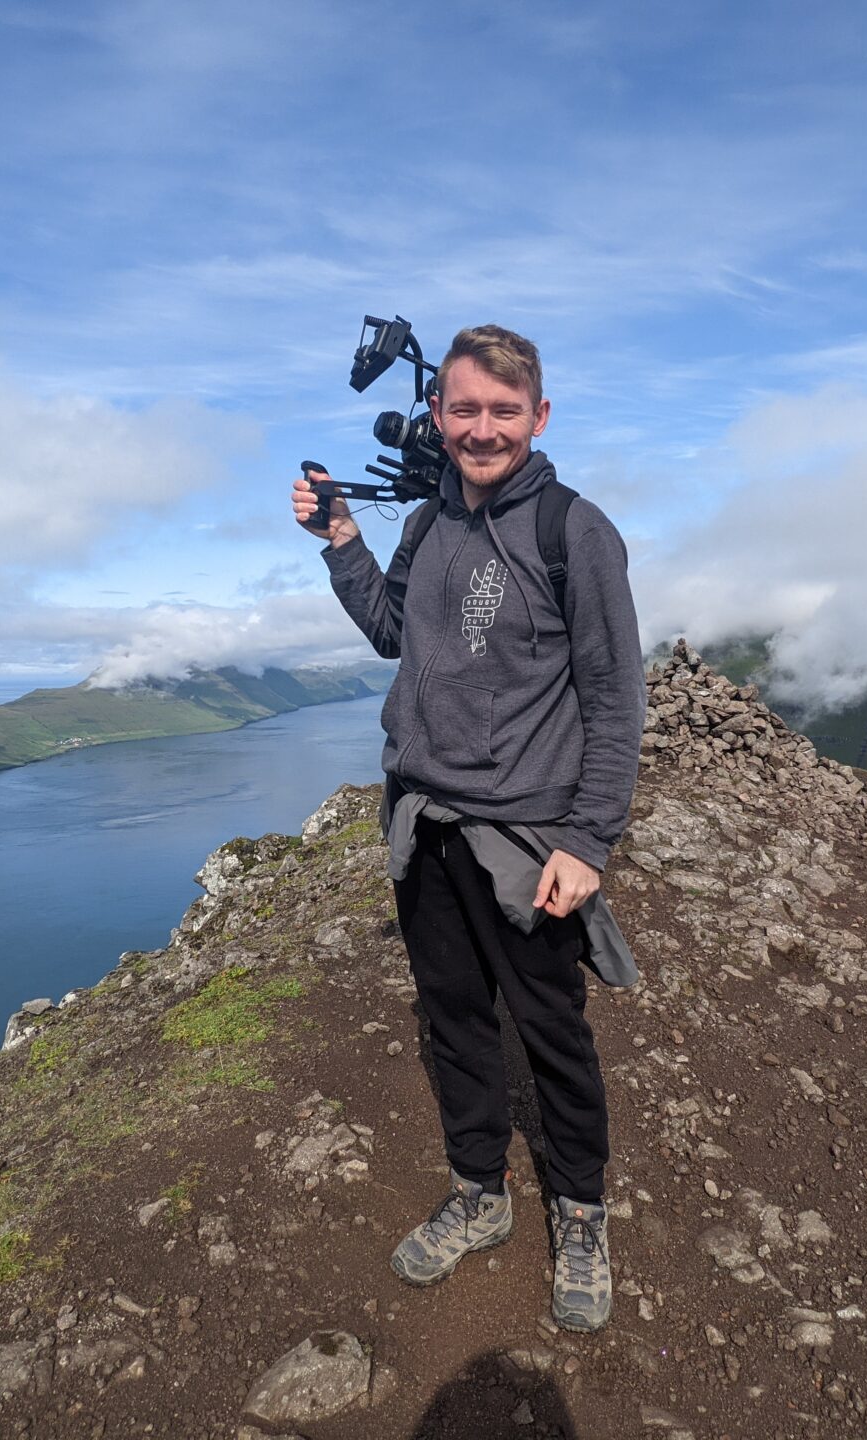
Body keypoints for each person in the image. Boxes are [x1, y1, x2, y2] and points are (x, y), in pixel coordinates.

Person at [290, 324, 644, 1333]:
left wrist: (588, 841)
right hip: (425, 826)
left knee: (551, 1032)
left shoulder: (574, 531)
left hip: (526, 839)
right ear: (440, 418)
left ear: (537, 417)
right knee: (453, 1019)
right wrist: (344, 544)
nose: (482, 429)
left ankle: (579, 1211)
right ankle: (479, 1193)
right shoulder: (428, 522)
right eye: (465, 410)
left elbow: (616, 696)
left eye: (503, 410)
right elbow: (397, 632)